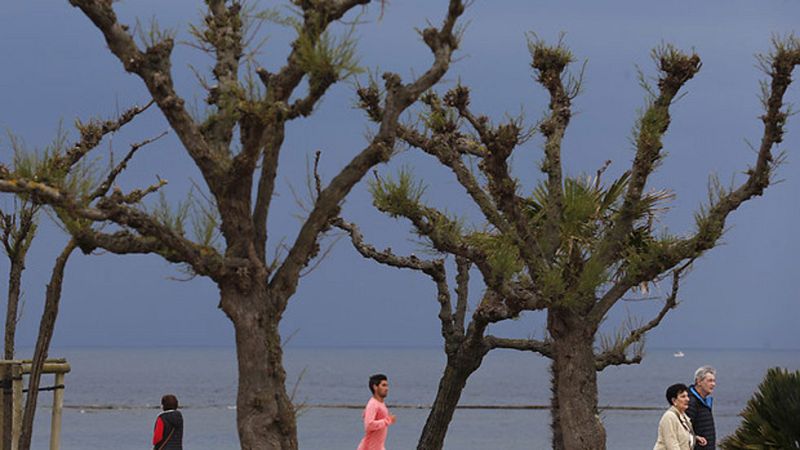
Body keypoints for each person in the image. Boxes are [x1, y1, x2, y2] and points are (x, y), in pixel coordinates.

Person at [653, 383, 707, 450]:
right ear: (674, 401)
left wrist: (694, 438)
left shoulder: (684, 416)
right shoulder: (669, 417)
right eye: (683, 397)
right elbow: (672, 445)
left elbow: (681, 436)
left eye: (687, 396)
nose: (687, 399)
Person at [357, 374, 396, 450]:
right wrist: (387, 420)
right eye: (383, 385)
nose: (387, 388)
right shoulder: (373, 404)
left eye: (387, 386)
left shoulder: (380, 403)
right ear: (375, 387)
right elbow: (369, 425)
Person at [686, 366, 716, 449]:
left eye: (714, 381)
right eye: (710, 381)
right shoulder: (690, 402)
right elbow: (683, 429)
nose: (713, 384)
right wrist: (696, 438)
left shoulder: (705, 402)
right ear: (699, 381)